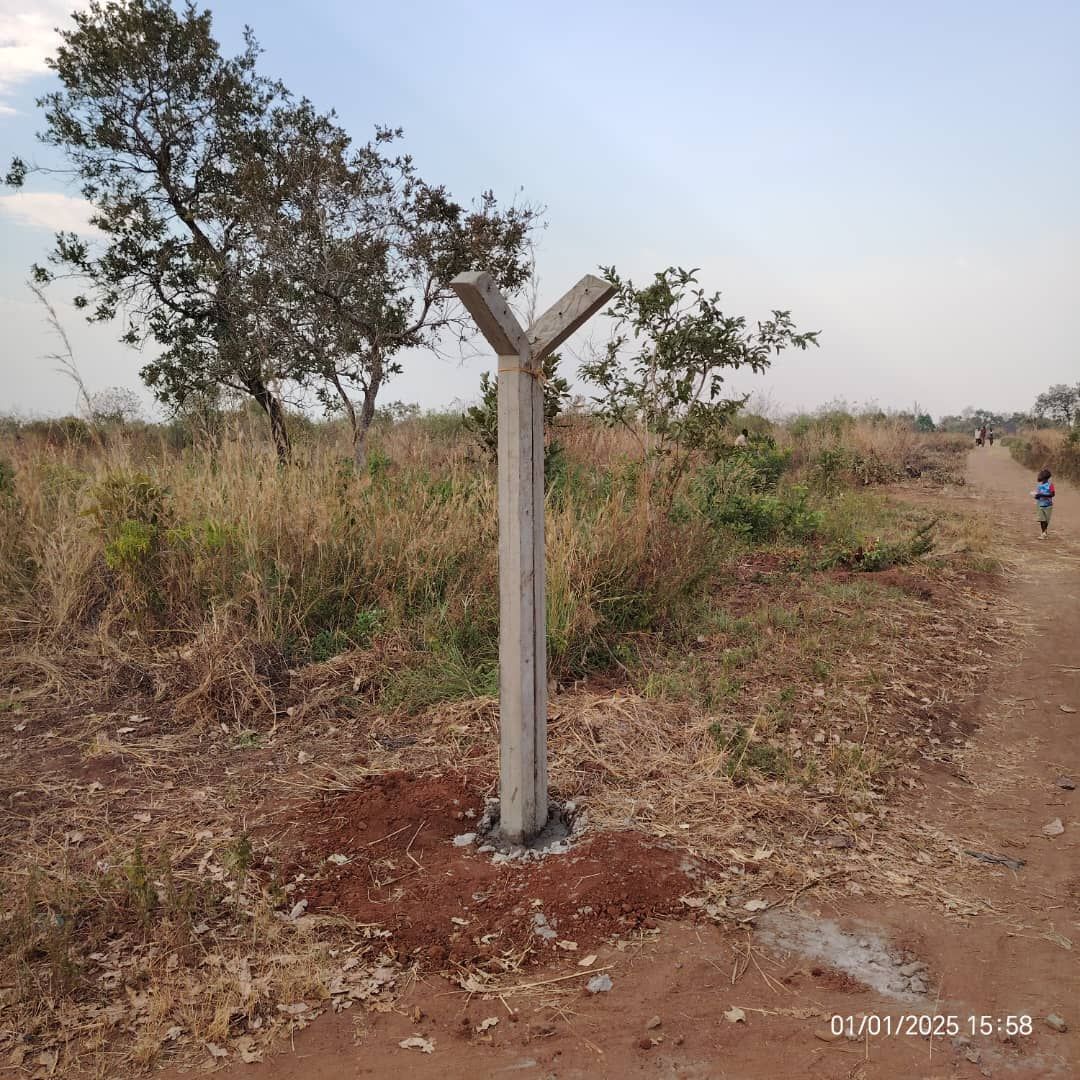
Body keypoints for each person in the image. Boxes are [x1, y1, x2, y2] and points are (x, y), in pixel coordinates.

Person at [1032, 468, 1055, 539]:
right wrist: (1036, 496)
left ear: (1045, 477)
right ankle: (1043, 533)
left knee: (1046, 520)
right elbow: (1038, 496)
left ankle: (1044, 532)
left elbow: (1052, 494)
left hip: (1048, 505)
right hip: (1040, 504)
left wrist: (1041, 495)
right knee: (1042, 519)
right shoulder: (1039, 486)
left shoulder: (1050, 485)